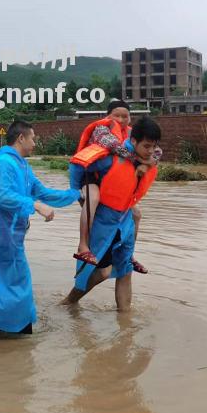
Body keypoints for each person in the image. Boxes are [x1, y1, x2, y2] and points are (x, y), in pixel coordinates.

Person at [0, 120, 80, 334]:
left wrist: (76, 194)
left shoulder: (22, 165)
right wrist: (35, 205)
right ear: (21, 138)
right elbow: (5, 197)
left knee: (6, 281)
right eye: (33, 138)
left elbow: (42, 191)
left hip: (12, 237)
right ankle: (11, 328)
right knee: (10, 281)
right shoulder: (5, 164)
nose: (35, 143)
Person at [63, 117, 161, 312]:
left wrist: (149, 161)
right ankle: (69, 302)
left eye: (154, 146)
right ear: (133, 141)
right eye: (147, 146)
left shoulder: (150, 160)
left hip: (125, 220)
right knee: (102, 273)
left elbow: (153, 157)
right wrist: (77, 193)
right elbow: (77, 165)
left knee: (125, 270)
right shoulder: (109, 157)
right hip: (103, 221)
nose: (151, 151)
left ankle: (125, 321)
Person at [69, 100, 158, 272]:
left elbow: (157, 152)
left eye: (125, 116)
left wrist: (147, 163)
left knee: (137, 214)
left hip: (109, 178)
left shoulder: (133, 134)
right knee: (93, 198)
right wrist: (138, 159)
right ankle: (83, 246)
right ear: (108, 116)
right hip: (90, 173)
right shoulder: (101, 129)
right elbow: (112, 145)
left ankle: (129, 254)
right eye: (116, 115)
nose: (121, 119)